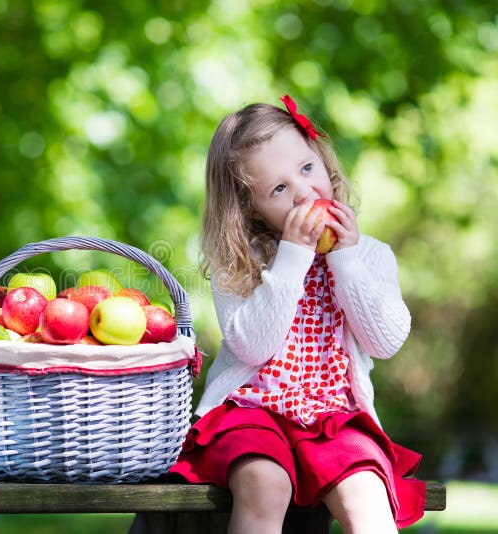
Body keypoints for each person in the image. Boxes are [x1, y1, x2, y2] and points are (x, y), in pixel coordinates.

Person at [170, 96, 425, 533]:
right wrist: (292, 258)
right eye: (279, 189)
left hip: (333, 415)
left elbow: (386, 340)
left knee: (367, 495)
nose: (305, 192)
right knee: (264, 484)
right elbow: (252, 346)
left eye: (307, 170)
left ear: (323, 161)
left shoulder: (369, 255)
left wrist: (345, 261)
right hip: (253, 409)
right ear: (251, 208)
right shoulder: (240, 261)